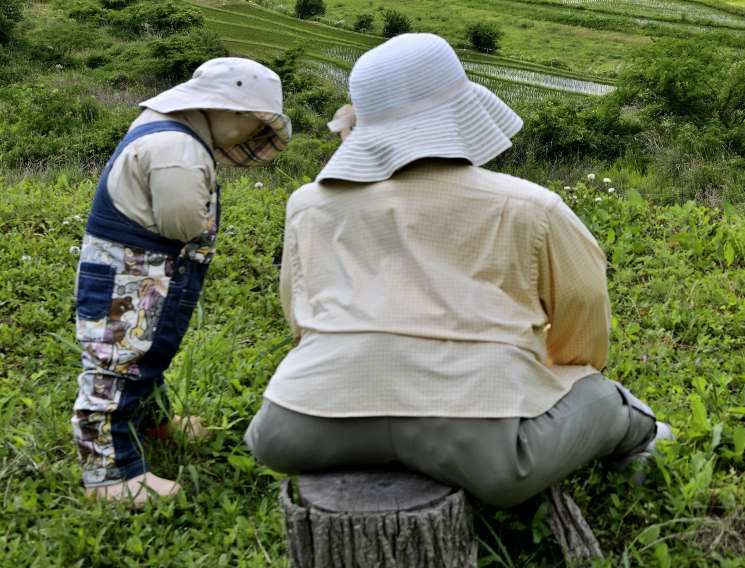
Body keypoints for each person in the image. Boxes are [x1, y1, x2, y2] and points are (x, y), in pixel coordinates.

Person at [245, 33, 669, 507]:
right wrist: (558, 373)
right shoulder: (531, 207)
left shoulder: (307, 206)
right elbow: (582, 317)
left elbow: (300, 316)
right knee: (603, 398)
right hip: (487, 449)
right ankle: (637, 433)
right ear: (459, 113)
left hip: (294, 426)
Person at [73, 58, 290, 505]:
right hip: (131, 279)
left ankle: (151, 421)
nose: (253, 135)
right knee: (118, 365)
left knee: (147, 355)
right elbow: (182, 222)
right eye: (254, 124)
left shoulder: (166, 128)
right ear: (228, 111)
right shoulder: (178, 149)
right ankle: (110, 475)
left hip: (140, 273)